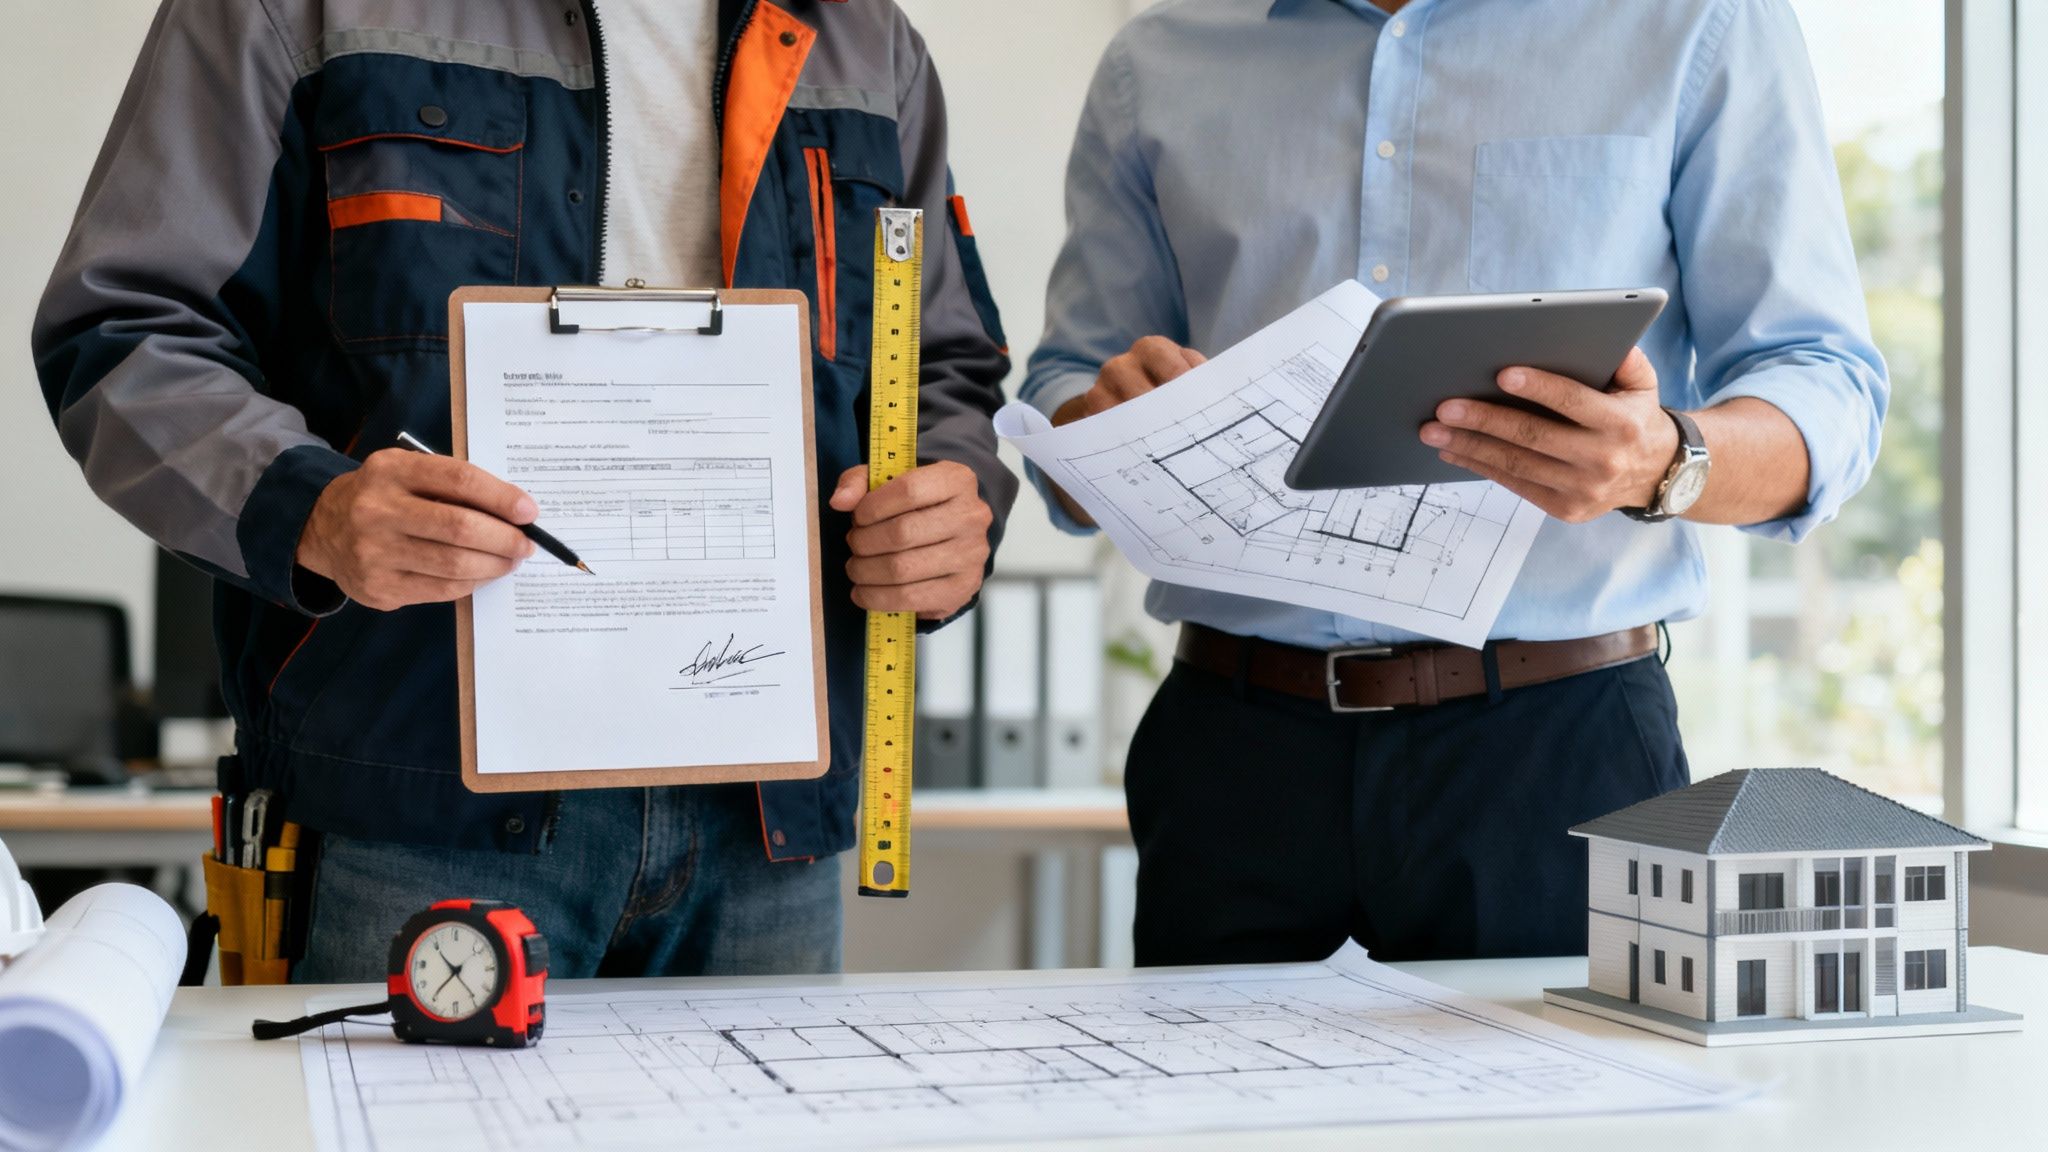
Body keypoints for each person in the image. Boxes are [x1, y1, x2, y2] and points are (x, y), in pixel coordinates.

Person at [34, 0, 1016, 981]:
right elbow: (127, 336)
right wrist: (313, 512)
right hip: (412, 815)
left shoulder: (865, 39)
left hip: (763, 825)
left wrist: (951, 501)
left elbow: (943, 370)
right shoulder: (292, 11)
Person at [1022, 0, 1886, 964]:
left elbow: (1825, 387)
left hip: (1558, 753)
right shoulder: (1160, 55)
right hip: (1234, 753)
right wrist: (1098, 423)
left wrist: (1662, 458)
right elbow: (1068, 382)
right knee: (1211, 1117)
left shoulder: (1697, 24)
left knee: (1575, 1117)